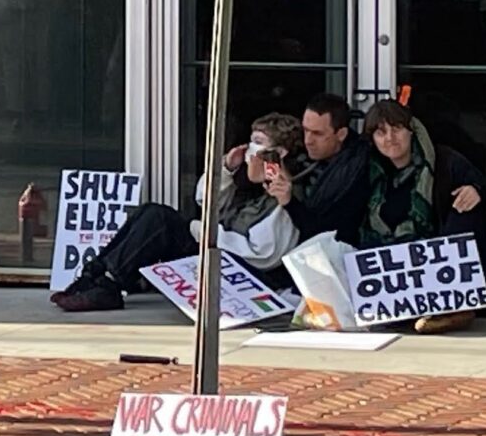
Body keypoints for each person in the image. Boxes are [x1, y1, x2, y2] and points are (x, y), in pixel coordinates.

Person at [51, 113, 304, 312]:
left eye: (258, 144)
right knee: (151, 212)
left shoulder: (282, 194)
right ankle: (95, 276)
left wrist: (200, 231)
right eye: (251, 141)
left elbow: (262, 255)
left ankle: (107, 284)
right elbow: (205, 200)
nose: (250, 150)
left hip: (247, 275)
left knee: (161, 221)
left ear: (278, 154)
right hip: (220, 255)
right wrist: (226, 168)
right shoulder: (249, 186)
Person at [358, 99, 486, 333]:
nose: (389, 138)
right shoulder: (367, 172)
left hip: (444, 272)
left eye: (396, 129)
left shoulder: (445, 161)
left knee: (465, 209)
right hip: (397, 276)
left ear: (412, 130)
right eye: (380, 132)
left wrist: (477, 192)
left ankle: (453, 306)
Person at [282, 93, 371, 245]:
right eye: (305, 130)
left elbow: (323, 230)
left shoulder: (355, 169)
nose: (308, 140)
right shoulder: (298, 155)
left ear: (341, 134)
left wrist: (289, 202)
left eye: (318, 133)